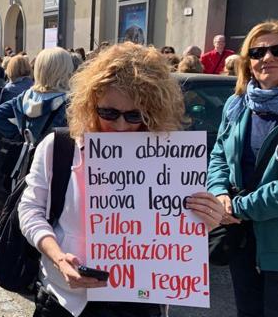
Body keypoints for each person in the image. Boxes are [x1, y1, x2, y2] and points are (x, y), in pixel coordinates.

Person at [19, 42, 224, 317]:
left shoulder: (171, 158)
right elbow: (30, 209)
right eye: (108, 113)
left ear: (153, 112)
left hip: (139, 301)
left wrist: (205, 221)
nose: (120, 126)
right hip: (66, 300)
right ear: (91, 105)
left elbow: (175, 233)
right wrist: (58, 258)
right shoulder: (59, 147)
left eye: (134, 115)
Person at [207, 20, 278, 317]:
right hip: (241, 239)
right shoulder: (236, 105)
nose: (267, 58)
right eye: (258, 52)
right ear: (247, 61)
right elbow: (219, 155)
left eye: (276, 50)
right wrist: (219, 192)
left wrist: (235, 207)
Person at [0, 48, 72, 143]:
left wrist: (20, 136)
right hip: (55, 156)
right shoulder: (69, 103)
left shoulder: (24, 97)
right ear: (65, 70)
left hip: (28, 154)